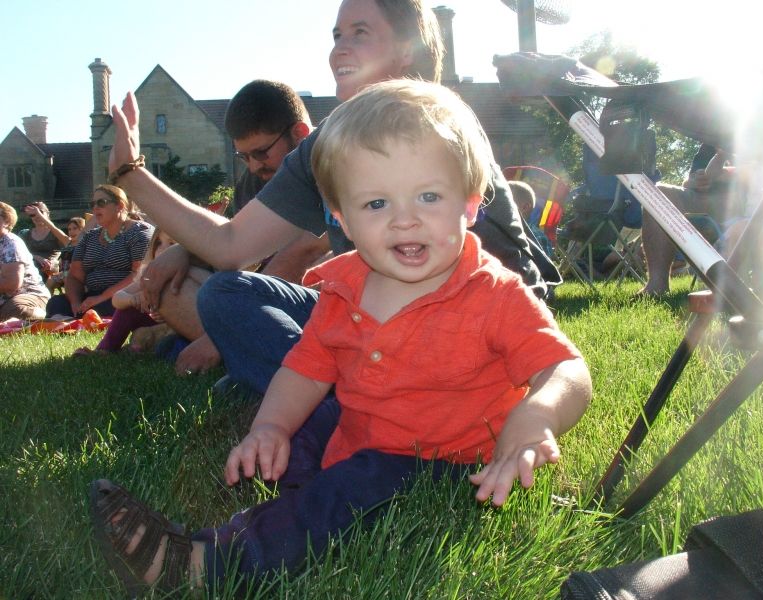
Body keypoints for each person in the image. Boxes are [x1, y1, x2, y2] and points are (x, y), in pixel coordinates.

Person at [89, 79, 591, 594]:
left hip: (446, 465)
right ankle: (294, 500)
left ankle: (207, 564)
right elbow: (305, 370)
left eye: (428, 196)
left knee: (351, 489)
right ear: (340, 217)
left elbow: (567, 369)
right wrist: (271, 426)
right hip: (359, 430)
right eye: (375, 203)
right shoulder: (342, 287)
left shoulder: (493, 292)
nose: (404, 220)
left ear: (470, 202)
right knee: (307, 426)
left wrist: (537, 416)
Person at [117, 0, 556, 399]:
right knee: (224, 294)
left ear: (406, 49)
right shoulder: (327, 144)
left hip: (475, 319)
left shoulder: (442, 123)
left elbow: (490, 276)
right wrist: (130, 175)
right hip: (376, 316)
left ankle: (321, 393)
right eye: (337, 35)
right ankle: (322, 387)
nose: (338, 50)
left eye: (359, 33)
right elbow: (231, 244)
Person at [147, 79, 323, 377]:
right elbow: (240, 248)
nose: (253, 166)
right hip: (265, 297)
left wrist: (216, 338)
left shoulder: (330, 163)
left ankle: (233, 348)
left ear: (300, 134)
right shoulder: (254, 179)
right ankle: (245, 346)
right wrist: (185, 252)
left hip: (322, 294)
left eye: (261, 153)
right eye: (243, 157)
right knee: (172, 283)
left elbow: (303, 252)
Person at [640, 144, 742, 296]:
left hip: (737, 202)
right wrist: (695, 182)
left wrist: (728, 174)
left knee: (731, 197)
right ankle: (657, 284)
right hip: (702, 201)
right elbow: (687, 183)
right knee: (659, 194)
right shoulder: (710, 142)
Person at [46, 185, 153, 318]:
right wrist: (75, 303)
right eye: (93, 204)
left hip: (123, 296)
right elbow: (74, 276)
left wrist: (101, 297)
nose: (95, 208)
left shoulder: (139, 232)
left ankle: (81, 320)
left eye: (101, 203)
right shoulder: (89, 237)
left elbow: (138, 275)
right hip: (92, 298)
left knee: (114, 306)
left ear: (119, 206)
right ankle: (73, 320)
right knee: (56, 303)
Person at [73, 228, 176, 356]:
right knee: (127, 308)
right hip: (153, 325)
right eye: (158, 243)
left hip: (179, 329)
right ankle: (105, 349)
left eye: (171, 243)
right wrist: (132, 299)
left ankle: (140, 347)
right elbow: (117, 298)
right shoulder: (148, 276)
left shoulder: (190, 277)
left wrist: (169, 314)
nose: (162, 249)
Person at [0, 202, 50, 320]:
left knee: (14, 310)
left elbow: (12, 284)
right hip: (5, 300)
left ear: (6, 221)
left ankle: (47, 317)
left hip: (29, 295)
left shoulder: (10, 243)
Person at [18, 201, 70, 280]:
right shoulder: (25, 234)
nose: (37, 216)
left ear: (47, 213)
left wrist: (56, 262)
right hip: (28, 269)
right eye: (33, 214)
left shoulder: (54, 233)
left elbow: (68, 242)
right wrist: (36, 257)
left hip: (49, 271)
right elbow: (17, 253)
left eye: (40, 212)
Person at [46, 216, 85, 293]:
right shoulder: (68, 242)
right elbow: (53, 228)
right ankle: (49, 299)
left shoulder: (84, 244)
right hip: (64, 273)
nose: (71, 231)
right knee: (49, 281)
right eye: (69, 229)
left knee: (68, 279)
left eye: (75, 228)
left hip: (77, 274)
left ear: (82, 229)